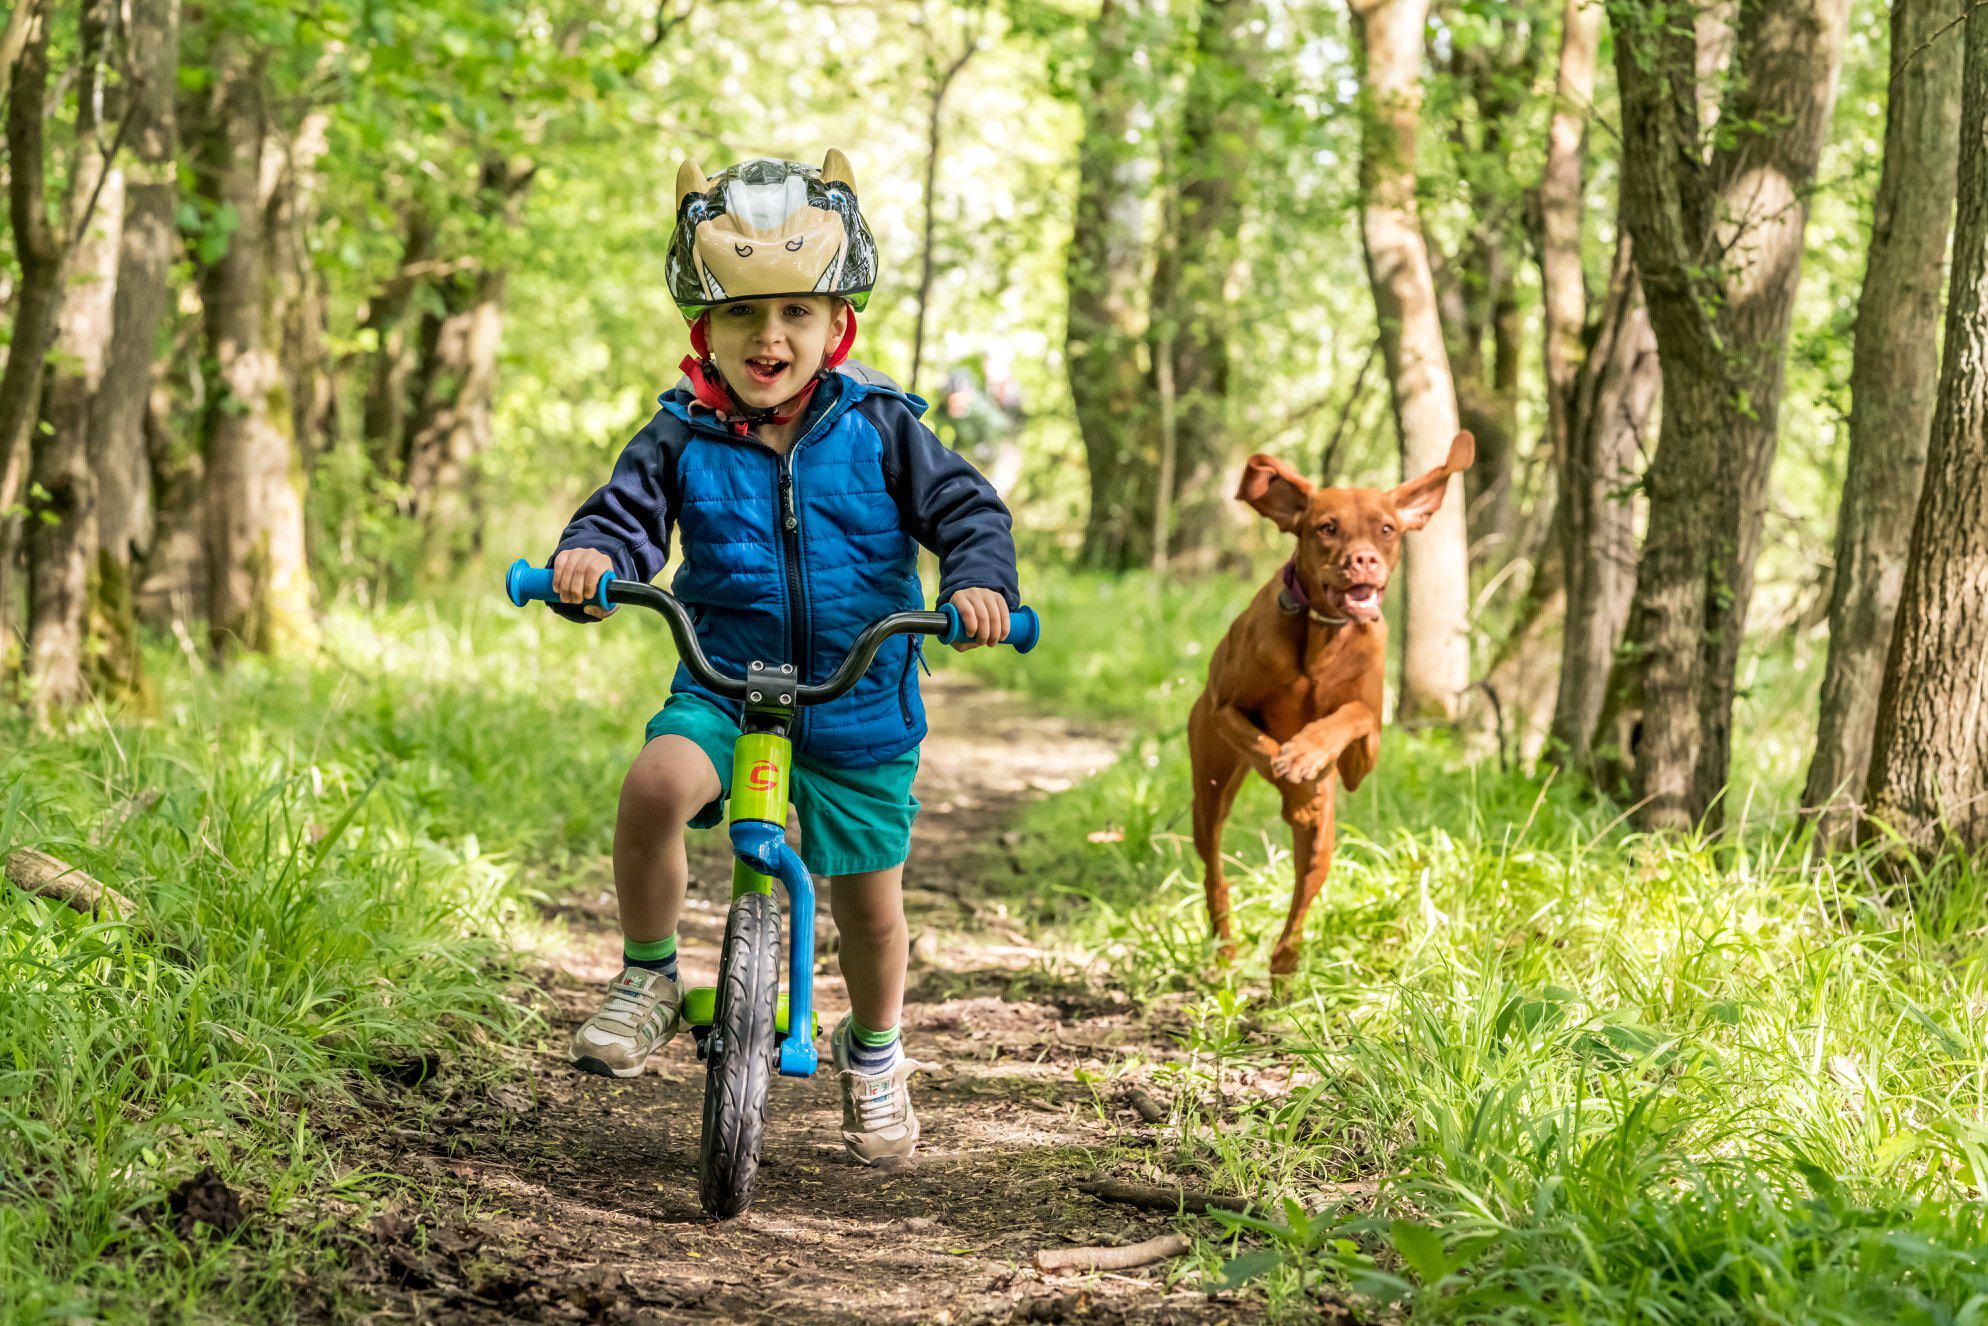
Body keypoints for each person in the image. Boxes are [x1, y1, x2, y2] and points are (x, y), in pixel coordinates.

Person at [542, 152, 1020, 1166]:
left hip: (857, 698)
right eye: (744, 316)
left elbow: (966, 512)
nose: (771, 338)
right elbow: (623, 519)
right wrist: (590, 561)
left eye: (797, 313)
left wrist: (979, 585)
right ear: (700, 331)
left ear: (835, 323)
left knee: (871, 910)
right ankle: (647, 974)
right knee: (653, 787)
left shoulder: (883, 425)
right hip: (723, 679)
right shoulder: (679, 433)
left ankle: (877, 1052)